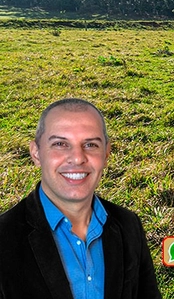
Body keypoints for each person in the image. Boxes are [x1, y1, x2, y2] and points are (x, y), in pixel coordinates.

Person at [0, 98, 162, 299]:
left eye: (91, 144)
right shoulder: (4, 237)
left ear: (106, 153)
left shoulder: (129, 225)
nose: (77, 158)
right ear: (36, 153)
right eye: (60, 144)